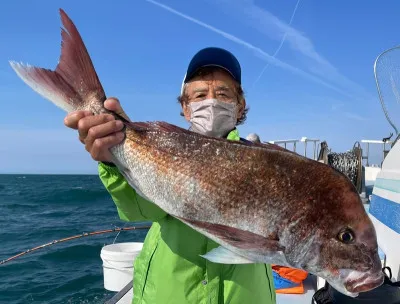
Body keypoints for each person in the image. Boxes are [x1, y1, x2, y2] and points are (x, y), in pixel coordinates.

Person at [64, 47, 276, 304]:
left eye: (223, 93)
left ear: (239, 106)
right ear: (186, 108)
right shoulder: (167, 151)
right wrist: (114, 160)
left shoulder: (264, 164)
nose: (211, 101)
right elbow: (140, 210)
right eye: (199, 94)